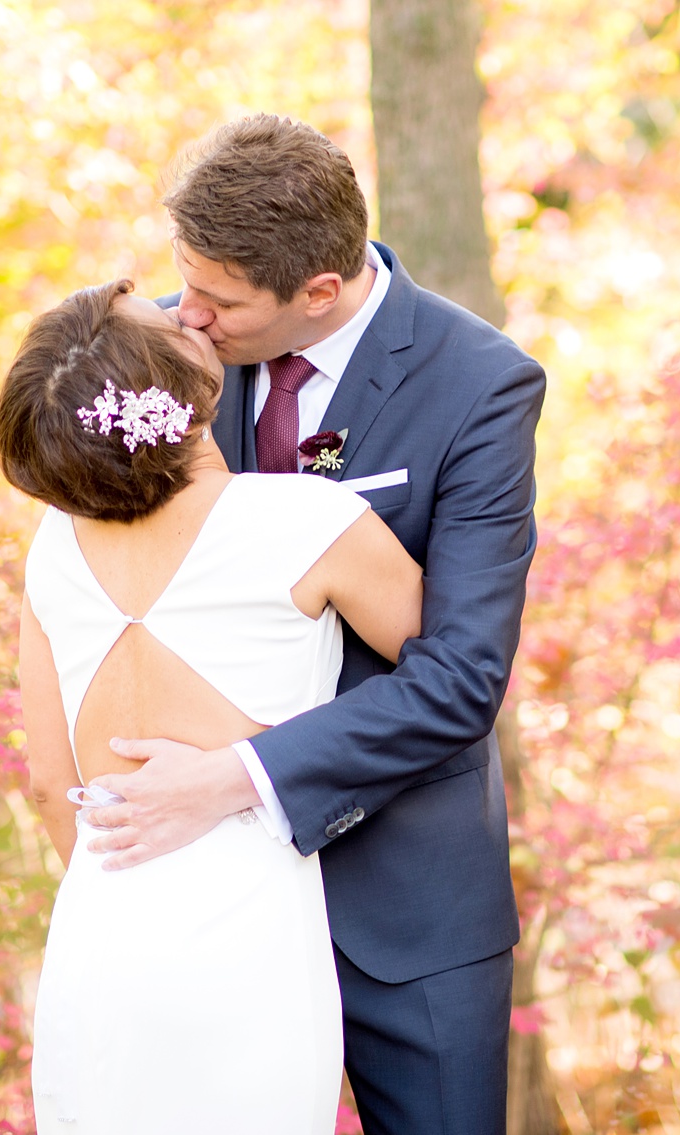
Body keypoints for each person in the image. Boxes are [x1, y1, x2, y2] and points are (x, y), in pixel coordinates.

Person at [82, 115, 547, 1133]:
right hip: (196, 888)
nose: (187, 317)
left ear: (318, 291)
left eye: (220, 300)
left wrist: (232, 780)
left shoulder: (478, 386)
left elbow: (460, 679)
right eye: (183, 281)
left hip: (406, 900)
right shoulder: (164, 351)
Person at [0, 277, 424, 1132]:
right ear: (167, 392)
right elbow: (444, 672)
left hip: (99, 930)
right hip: (247, 930)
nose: (185, 309)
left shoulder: (51, 548)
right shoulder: (309, 519)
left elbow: (49, 783)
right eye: (163, 317)